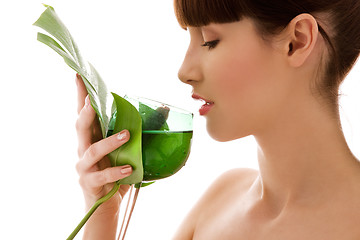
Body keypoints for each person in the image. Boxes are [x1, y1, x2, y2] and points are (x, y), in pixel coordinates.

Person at [75, 0, 360, 239]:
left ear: (297, 42)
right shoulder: (219, 201)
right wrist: (103, 213)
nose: (184, 71)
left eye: (210, 42)